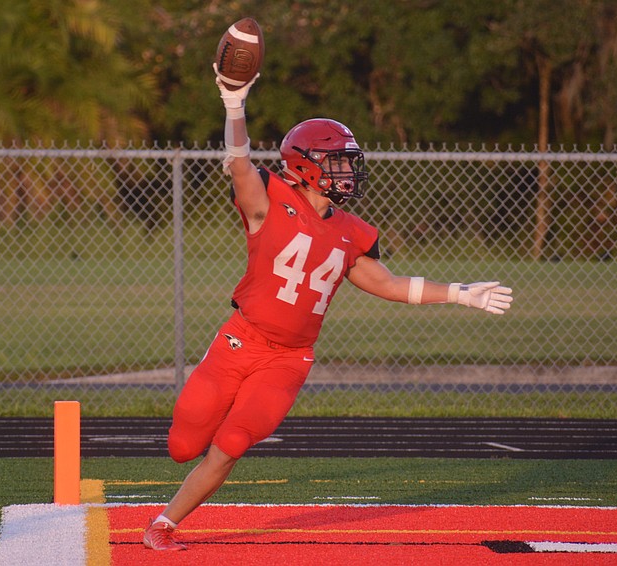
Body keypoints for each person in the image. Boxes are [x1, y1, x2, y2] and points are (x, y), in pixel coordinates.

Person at [142, 66, 514, 552]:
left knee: (232, 443)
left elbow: (387, 283)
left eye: (348, 162)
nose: (348, 172)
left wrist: (460, 293)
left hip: (288, 359)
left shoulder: (350, 230)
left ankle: (163, 524)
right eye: (338, 162)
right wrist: (234, 103)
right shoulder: (269, 201)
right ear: (306, 164)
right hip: (240, 340)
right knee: (183, 446)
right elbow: (239, 163)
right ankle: (178, 482)